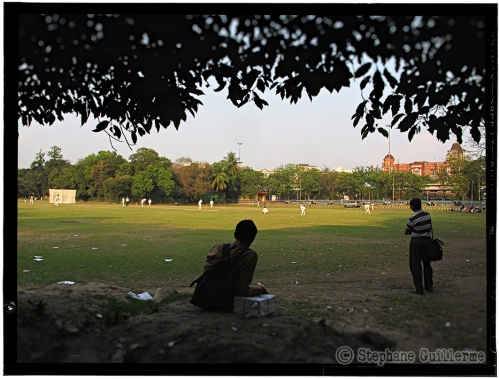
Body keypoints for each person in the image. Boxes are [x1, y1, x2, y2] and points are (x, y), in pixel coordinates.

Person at [200, 219, 268, 297]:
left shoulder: (218, 248)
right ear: (252, 238)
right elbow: (241, 291)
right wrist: (260, 289)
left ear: (235, 234)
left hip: (204, 294)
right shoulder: (249, 255)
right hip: (223, 298)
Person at [404, 198, 433, 295]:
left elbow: (406, 231)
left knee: (415, 265)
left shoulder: (412, 219)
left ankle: (419, 288)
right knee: (427, 264)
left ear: (412, 206)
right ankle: (429, 285)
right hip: (427, 241)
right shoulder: (427, 215)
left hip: (416, 242)